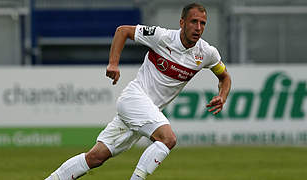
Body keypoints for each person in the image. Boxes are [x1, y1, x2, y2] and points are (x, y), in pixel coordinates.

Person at [45, 3, 231, 180]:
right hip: (134, 98)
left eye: (202, 23)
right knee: (168, 139)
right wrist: (113, 63)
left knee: (95, 157)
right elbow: (123, 31)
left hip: (147, 111)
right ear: (182, 22)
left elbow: (225, 77)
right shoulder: (162, 37)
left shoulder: (207, 53)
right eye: (193, 21)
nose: (198, 27)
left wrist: (222, 96)